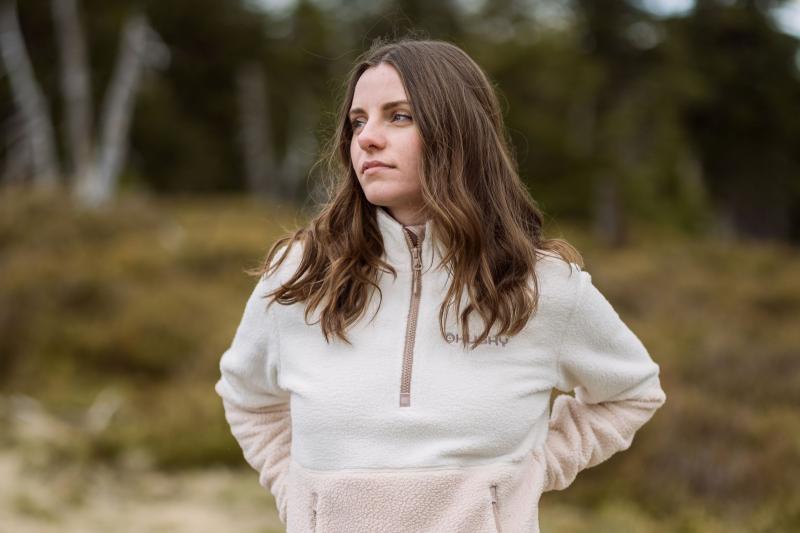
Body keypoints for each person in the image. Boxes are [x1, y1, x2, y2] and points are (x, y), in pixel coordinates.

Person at [215, 37, 666, 533]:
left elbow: (632, 392)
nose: (367, 138)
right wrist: (301, 498)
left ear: (458, 132)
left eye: (399, 116)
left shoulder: (540, 285)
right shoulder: (301, 272)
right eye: (358, 121)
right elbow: (247, 398)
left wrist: (528, 475)